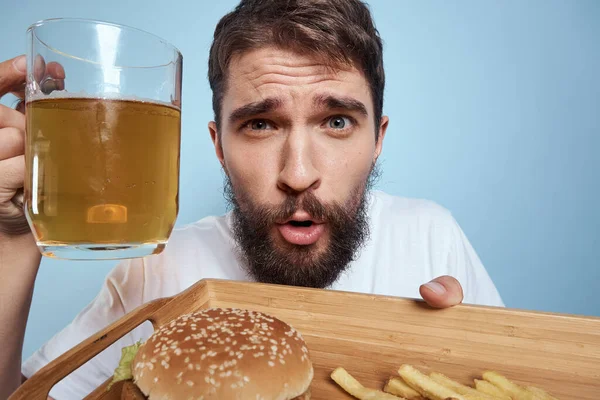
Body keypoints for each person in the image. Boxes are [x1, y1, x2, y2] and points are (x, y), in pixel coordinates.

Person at [0, 0, 503, 398]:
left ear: (378, 140)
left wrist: (460, 361)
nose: (298, 174)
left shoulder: (432, 236)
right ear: (219, 146)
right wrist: (11, 238)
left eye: (336, 122)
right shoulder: (156, 270)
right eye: (261, 124)